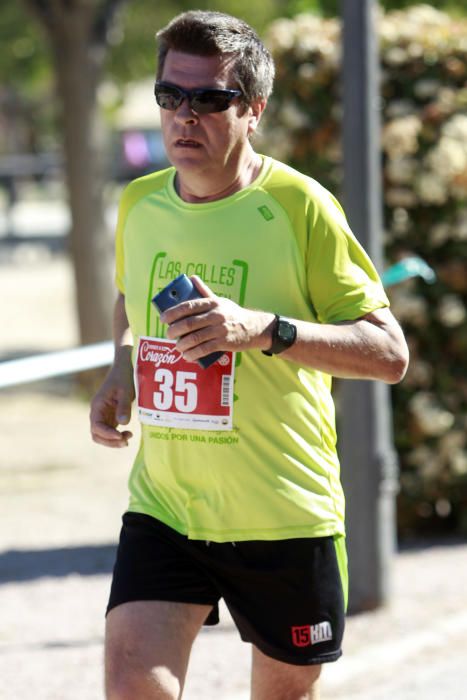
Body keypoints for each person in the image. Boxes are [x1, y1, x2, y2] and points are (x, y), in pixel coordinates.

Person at [90, 10, 409, 700]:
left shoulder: (299, 207)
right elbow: (129, 297)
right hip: (167, 506)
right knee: (131, 684)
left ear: (253, 110)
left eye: (209, 99)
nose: (185, 116)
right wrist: (122, 367)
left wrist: (263, 330)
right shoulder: (141, 202)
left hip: (283, 513)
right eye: (170, 96)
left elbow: (387, 354)